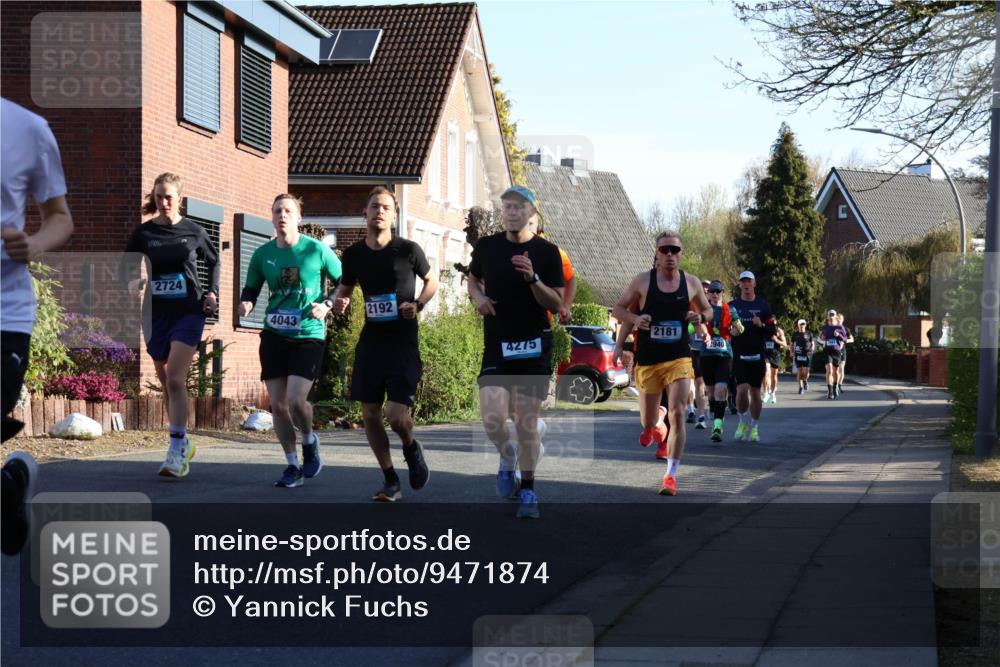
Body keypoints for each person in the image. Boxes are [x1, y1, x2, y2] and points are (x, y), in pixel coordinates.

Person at [331, 187, 437, 502]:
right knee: (370, 413)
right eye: (374, 206)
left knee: (397, 416)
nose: (380, 211)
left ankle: (410, 447)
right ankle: (390, 478)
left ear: (393, 215)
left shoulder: (408, 250)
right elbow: (345, 289)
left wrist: (417, 304)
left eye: (386, 207)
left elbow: (432, 281)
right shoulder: (353, 255)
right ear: (365, 213)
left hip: (403, 340)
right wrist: (341, 302)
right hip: (372, 342)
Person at [1, 97, 73, 555]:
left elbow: (59, 217)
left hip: (4, 311)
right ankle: (9, 486)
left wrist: (33, 243)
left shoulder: (27, 129)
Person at [467, 185, 564, 519]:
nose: (510, 212)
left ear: (532, 213)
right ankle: (507, 457)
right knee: (493, 418)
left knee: (525, 421)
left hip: (535, 342)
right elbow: (473, 279)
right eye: (506, 206)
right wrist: (478, 298)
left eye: (518, 207)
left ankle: (528, 490)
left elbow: (556, 302)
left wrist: (533, 279)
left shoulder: (548, 252)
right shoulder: (487, 247)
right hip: (498, 341)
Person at [239, 194, 342, 487]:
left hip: (308, 333)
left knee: (297, 400)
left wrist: (328, 305)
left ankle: (309, 440)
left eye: (288, 211)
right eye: (277, 211)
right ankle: (292, 465)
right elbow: (251, 288)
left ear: (298, 217)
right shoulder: (262, 254)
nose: (282, 215)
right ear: (272, 218)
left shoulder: (317, 250)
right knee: (278, 405)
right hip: (274, 334)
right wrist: (245, 304)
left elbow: (344, 281)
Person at [123, 173, 219, 477]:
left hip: (189, 310)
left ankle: (176, 448)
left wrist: (212, 293)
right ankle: (184, 441)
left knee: (176, 378)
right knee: (166, 380)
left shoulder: (194, 231)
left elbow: (213, 261)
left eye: (169, 197)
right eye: (159, 196)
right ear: (154, 196)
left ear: (180, 198)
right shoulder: (144, 233)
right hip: (155, 312)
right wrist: (131, 281)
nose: (164, 202)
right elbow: (126, 264)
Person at [612, 232, 712, 496]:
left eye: (674, 250)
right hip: (648, 360)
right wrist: (635, 319)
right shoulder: (642, 281)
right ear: (656, 253)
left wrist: (699, 316)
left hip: (679, 357)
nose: (669, 255)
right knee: (647, 423)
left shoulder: (690, 283)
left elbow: (709, 310)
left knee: (679, 411)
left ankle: (671, 475)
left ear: (681, 254)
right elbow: (618, 310)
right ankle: (656, 420)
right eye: (664, 250)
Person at [728, 271, 776, 442]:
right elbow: (723, 329)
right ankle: (742, 422)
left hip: (757, 355)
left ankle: (754, 426)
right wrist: (729, 331)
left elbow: (772, 331)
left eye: (749, 281)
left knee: (755, 393)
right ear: (739, 285)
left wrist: (761, 324)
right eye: (743, 282)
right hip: (739, 355)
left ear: (754, 284)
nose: (746, 284)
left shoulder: (763, 305)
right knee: (741, 392)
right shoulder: (732, 306)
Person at [699, 280, 742, 442]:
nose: (715, 294)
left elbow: (740, 328)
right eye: (712, 291)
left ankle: (717, 427)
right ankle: (713, 405)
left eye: (718, 291)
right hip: (706, 355)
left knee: (721, 389)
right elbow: (692, 327)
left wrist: (735, 330)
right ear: (708, 293)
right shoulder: (703, 309)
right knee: (710, 391)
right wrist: (696, 329)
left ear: (723, 293)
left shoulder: (730, 310)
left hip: (724, 355)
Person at [686, 280, 711, 429]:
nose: (706, 291)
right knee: (690, 383)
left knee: (700, 384)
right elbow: (687, 327)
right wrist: (695, 326)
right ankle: (691, 411)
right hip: (690, 349)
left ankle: (701, 415)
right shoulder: (691, 305)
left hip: (705, 350)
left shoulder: (712, 309)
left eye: (708, 289)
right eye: (704, 288)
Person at [818, 309, 849, 399]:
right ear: (828, 316)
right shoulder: (825, 327)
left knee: (836, 372)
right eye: (830, 315)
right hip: (828, 351)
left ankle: (835, 386)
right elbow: (821, 338)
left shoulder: (840, 327)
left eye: (833, 315)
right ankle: (830, 391)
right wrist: (822, 338)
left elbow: (845, 340)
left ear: (835, 316)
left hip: (837, 352)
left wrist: (838, 335)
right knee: (829, 370)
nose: (831, 317)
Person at [763, 320, 788, 404]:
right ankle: (766, 393)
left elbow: (785, 344)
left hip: (775, 354)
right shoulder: (763, 329)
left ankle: (773, 394)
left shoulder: (779, 331)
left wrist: (776, 340)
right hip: (765, 354)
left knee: (774, 375)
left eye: (773, 322)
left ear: (776, 322)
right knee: (766, 372)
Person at [791, 318, 815, 394]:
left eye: (803, 324)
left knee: (806, 372)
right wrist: (791, 352)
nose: (802, 326)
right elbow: (791, 344)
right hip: (798, 354)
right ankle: (800, 387)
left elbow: (812, 343)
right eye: (800, 324)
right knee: (799, 371)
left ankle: (805, 380)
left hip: (806, 354)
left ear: (805, 325)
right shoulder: (795, 334)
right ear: (798, 325)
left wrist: (811, 350)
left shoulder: (809, 333)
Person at [835, 313, 854, 395]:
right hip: (834, 351)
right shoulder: (833, 329)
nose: (839, 320)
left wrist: (847, 340)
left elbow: (852, 339)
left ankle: (839, 385)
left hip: (842, 351)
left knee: (841, 369)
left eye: (840, 319)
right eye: (837, 319)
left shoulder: (846, 329)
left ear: (842, 320)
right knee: (835, 370)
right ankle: (834, 385)